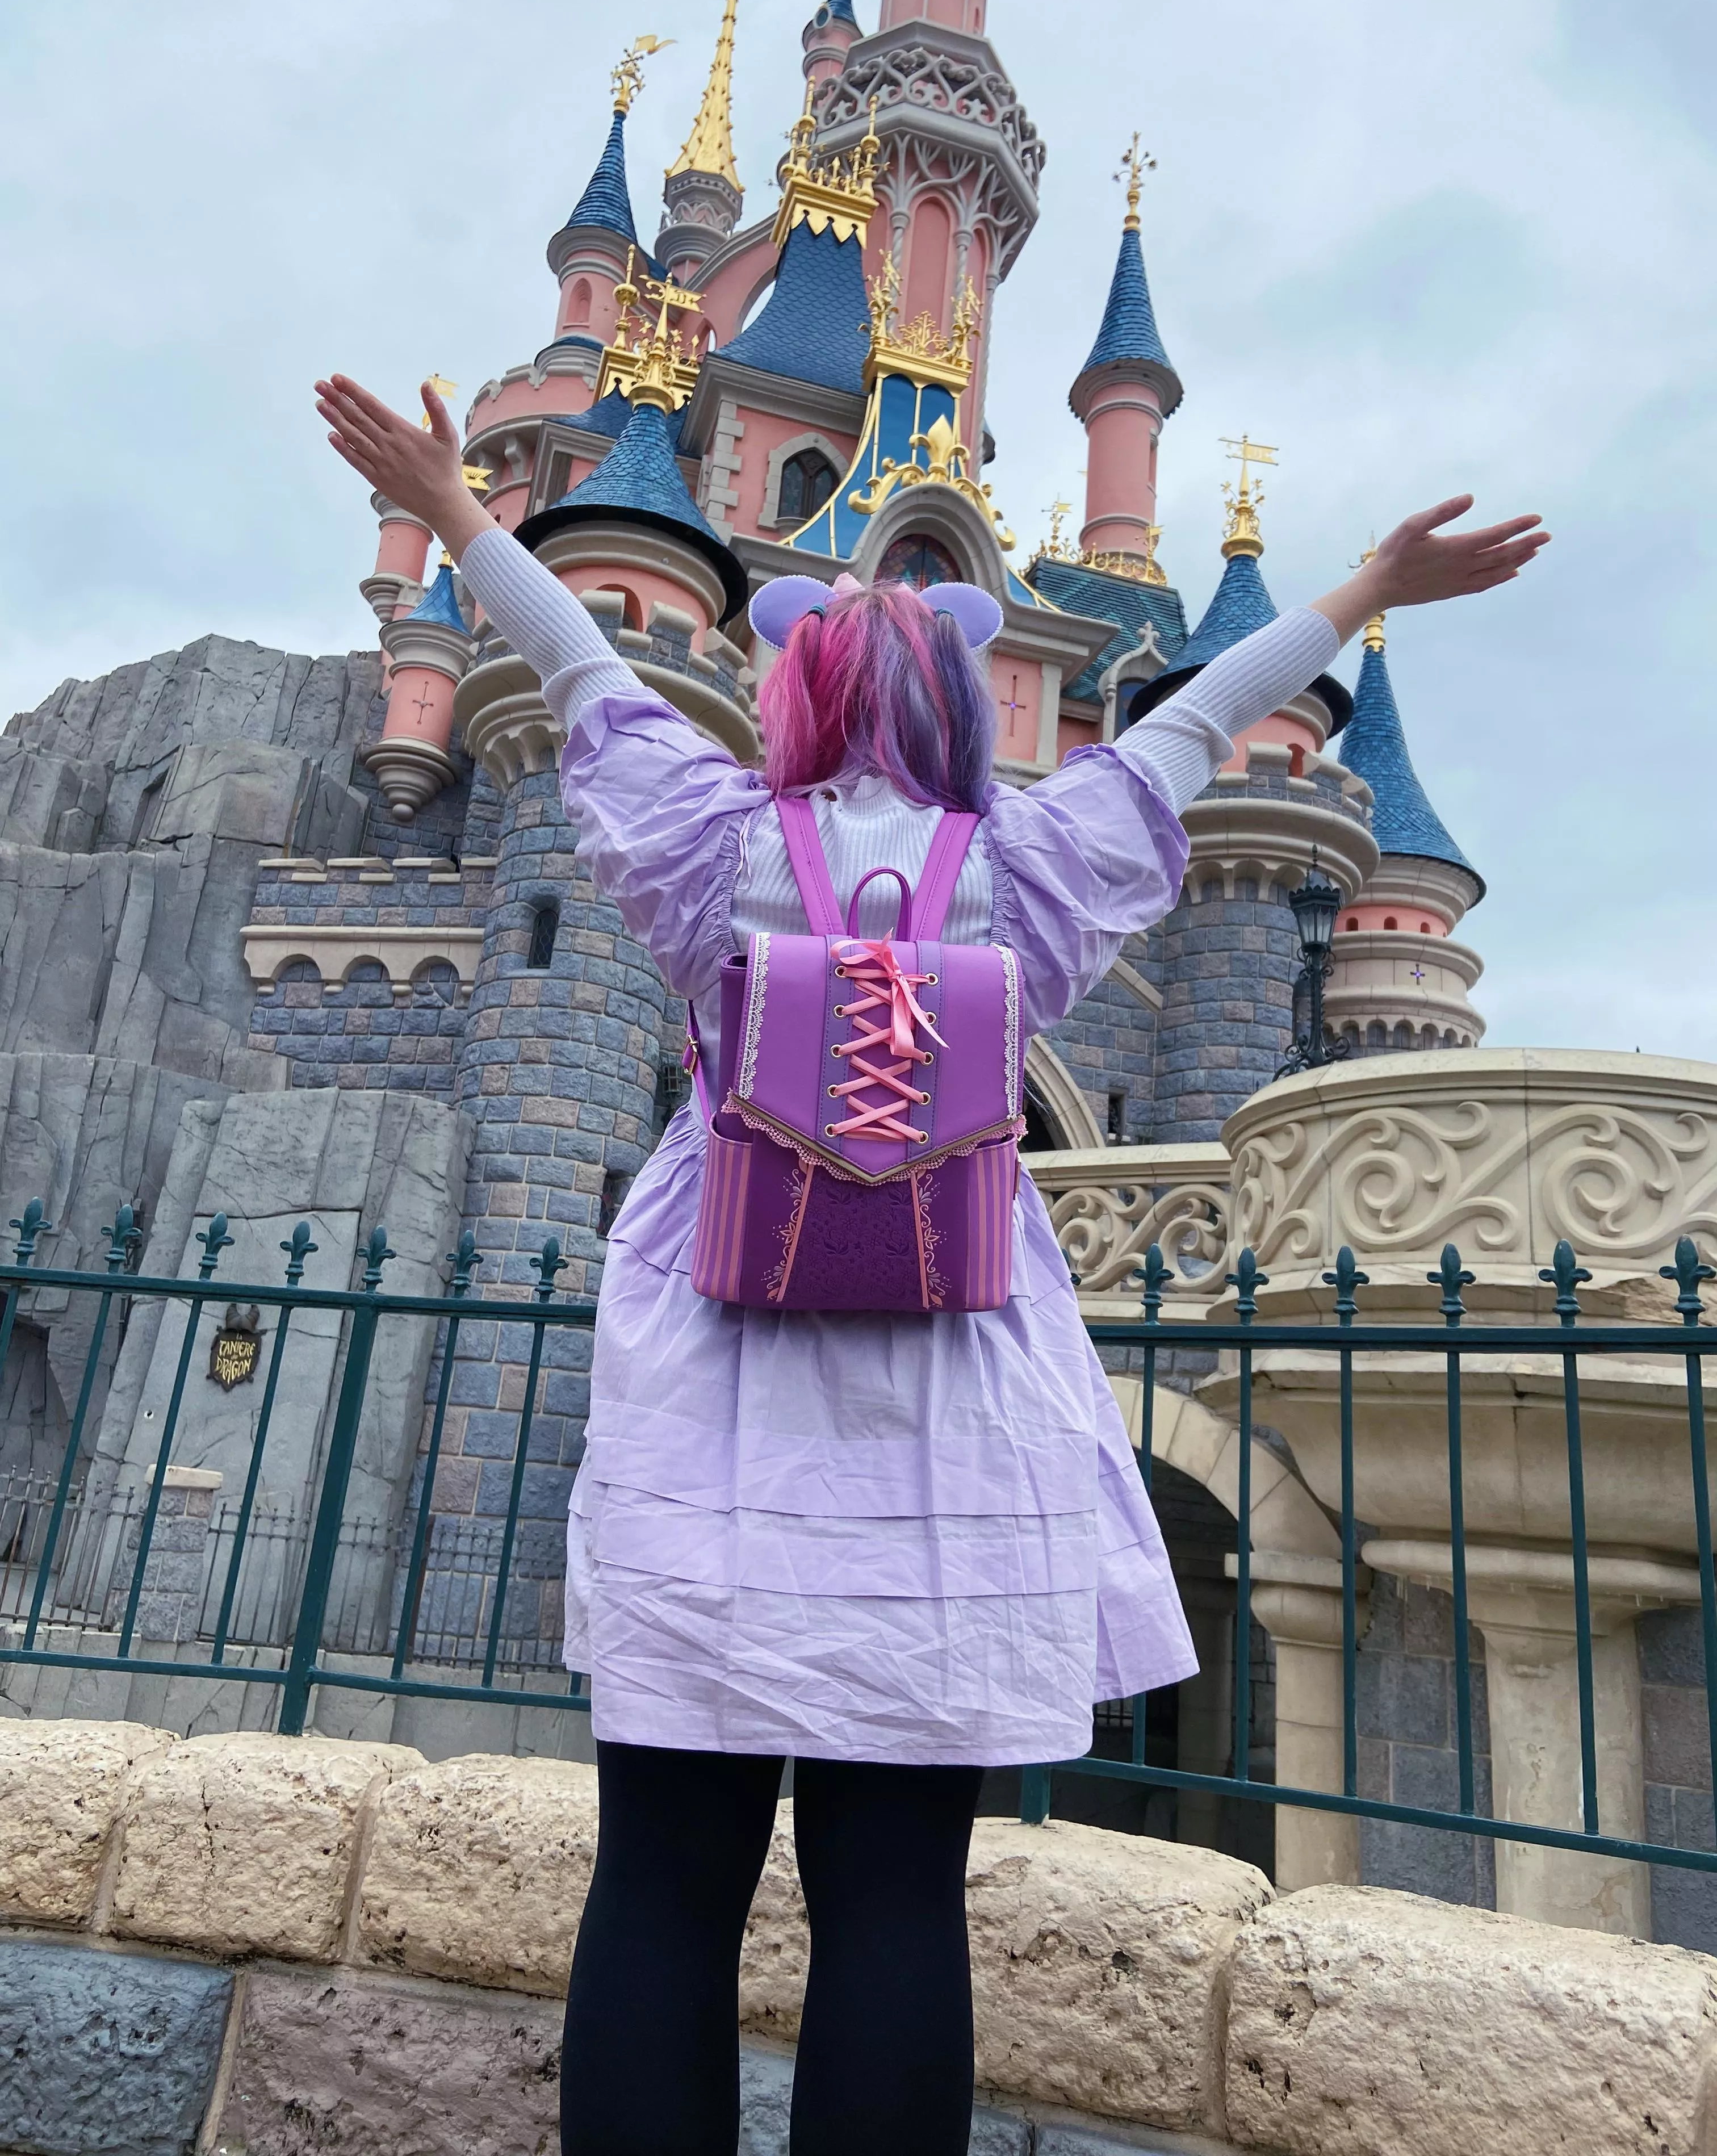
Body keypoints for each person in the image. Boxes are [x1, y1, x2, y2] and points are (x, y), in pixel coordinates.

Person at [316, 372, 1546, 2156]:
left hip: (716, 1440)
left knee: (664, 1892)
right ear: (961, 716)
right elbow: (1186, 739)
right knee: (895, 1907)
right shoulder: (1031, 868)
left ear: (795, 699)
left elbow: (589, 674)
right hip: (939, 1470)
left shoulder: (712, 847)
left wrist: (459, 504)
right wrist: (1361, 595)